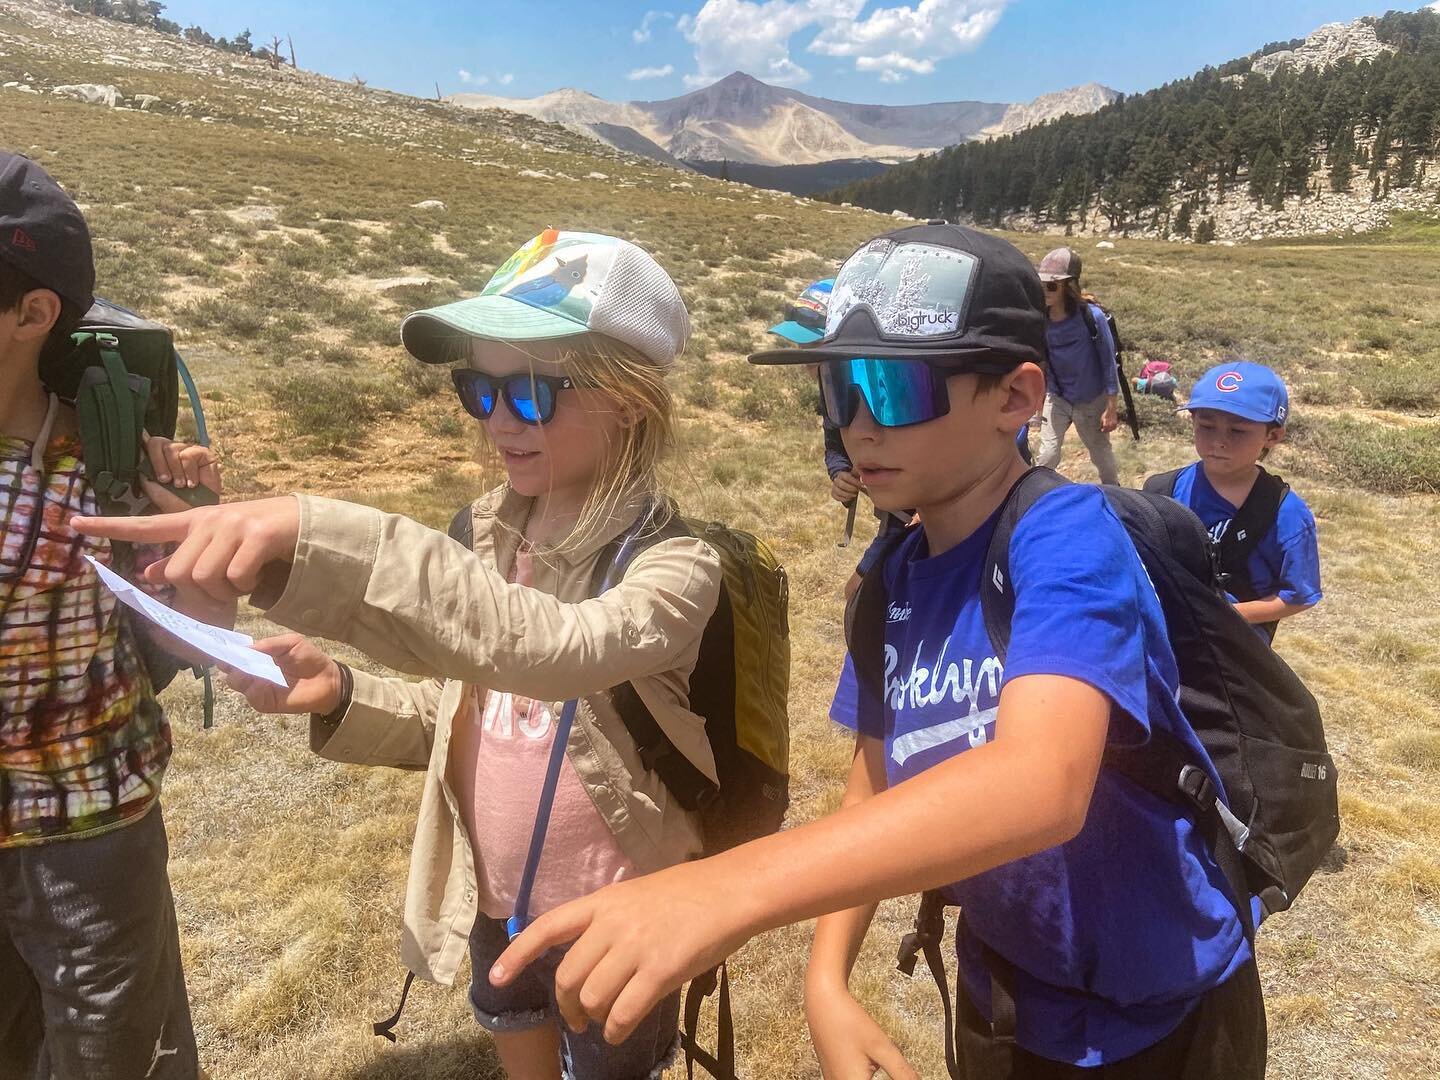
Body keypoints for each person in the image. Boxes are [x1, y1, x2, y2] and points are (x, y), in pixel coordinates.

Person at [475, 223, 1263, 1079]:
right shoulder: (894, 575)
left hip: (1165, 1006)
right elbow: (874, 778)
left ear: (1015, 397)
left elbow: (1042, 784)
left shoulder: (1069, 538)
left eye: (890, 388)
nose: (856, 426)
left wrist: (727, 890)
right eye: (836, 389)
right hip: (1009, 987)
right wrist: (825, 979)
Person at [80, 230, 721, 1080]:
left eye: (528, 393)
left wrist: (312, 536)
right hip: (499, 908)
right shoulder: (484, 536)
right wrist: (339, 692)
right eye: (476, 389)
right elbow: (467, 718)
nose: (497, 420)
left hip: (619, 914)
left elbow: (555, 649)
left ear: (630, 400)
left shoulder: (677, 566)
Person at [0, 151, 221, 1080]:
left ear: (33, 312)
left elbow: (201, 629)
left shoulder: (105, 458)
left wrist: (199, 527)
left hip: (87, 831)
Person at [1152, 361, 1321, 640]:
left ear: (1273, 436)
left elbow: (1300, 595)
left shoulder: (1286, 513)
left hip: (1235, 650)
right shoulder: (1163, 489)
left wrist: (1227, 616)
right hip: (1164, 636)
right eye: (1206, 426)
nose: (1219, 441)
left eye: (1238, 431)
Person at [769, 278, 910, 601]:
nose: (804, 359)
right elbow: (834, 441)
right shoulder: (831, 384)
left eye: (812, 348)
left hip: (913, 517)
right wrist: (840, 473)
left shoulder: (887, 389)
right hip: (897, 516)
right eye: (800, 347)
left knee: (861, 596)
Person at [1034, 247, 1120, 485]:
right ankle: (1034, 497)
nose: (1045, 291)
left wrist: (1111, 407)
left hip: (1091, 399)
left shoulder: (1093, 318)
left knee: (1102, 458)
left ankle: (1116, 495)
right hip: (1058, 395)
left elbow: (1108, 362)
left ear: (1069, 286)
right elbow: (1043, 359)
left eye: (1052, 286)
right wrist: (1038, 400)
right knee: (1047, 455)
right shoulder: (1042, 318)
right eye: (1042, 285)